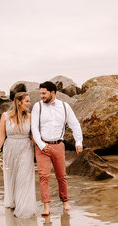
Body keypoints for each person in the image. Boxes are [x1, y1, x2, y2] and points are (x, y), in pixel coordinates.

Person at [31, 81, 83, 216]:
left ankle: (65, 202)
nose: (41, 96)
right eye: (40, 93)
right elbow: (34, 129)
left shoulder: (65, 107)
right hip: (42, 146)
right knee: (44, 176)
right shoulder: (38, 107)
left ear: (52, 93)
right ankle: (46, 206)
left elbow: (75, 124)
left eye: (44, 93)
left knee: (61, 176)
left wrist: (78, 142)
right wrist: (42, 145)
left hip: (59, 145)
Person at [0, 92, 37, 218]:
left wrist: (44, 147)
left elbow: (32, 136)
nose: (30, 104)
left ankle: (23, 208)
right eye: (27, 101)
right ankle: (13, 202)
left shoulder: (30, 117)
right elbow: (2, 136)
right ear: (19, 102)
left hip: (26, 149)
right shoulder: (5, 116)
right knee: (11, 176)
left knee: (24, 177)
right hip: (10, 149)